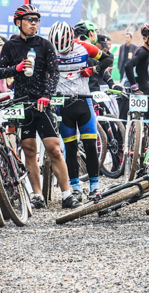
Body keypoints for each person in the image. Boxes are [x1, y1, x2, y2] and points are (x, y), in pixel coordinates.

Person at [0, 5, 78, 209]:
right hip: (22, 103)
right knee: (29, 150)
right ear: (18, 22)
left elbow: (54, 73)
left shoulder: (45, 45)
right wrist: (15, 69)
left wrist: (47, 95)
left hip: (42, 103)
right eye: (29, 19)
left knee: (54, 148)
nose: (34, 23)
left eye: (36, 20)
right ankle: (37, 195)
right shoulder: (10, 46)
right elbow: (0, 71)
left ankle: (67, 194)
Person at [48, 21, 113, 200]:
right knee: (70, 148)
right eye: (59, 50)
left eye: (65, 49)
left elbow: (109, 59)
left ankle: (95, 187)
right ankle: (75, 188)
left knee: (91, 146)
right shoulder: (49, 50)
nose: (62, 53)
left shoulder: (84, 47)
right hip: (63, 106)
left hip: (84, 102)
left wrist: (94, 69)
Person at [123, 21, 149, 126]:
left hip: (146, 91)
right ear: (144, 38)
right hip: (145, 94)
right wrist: (134, 87)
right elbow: (128, 66)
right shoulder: (143, 52)